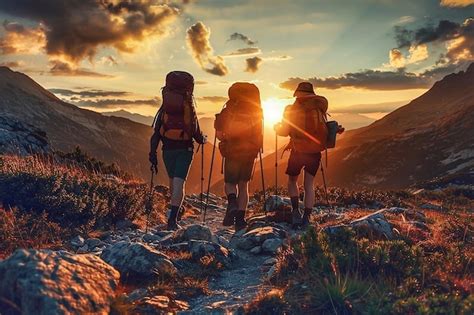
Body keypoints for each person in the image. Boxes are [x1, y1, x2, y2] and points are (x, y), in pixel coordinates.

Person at [275, 82, 343, 227]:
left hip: (298, 151)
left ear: (298, 94)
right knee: (309, 184)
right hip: (315, 152)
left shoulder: (291, 109)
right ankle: (307, 217)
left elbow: (284, 132)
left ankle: (295, 212)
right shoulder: (319, 108)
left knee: (292, 181)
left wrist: (277, 128)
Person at [149, 71, 206, 230]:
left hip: (167, 150)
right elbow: (196, 133)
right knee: (179, 183)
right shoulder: (189, 107)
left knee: (173, 181)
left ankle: (172, 211)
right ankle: (173, 219)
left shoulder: (164, 110)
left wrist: (152, 153)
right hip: (184, 149)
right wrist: (203, 139)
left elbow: (156, 133)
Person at [214, 82, 263, 231]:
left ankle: (232, 202)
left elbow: (218, 135)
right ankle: (240, 220)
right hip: (249, 153)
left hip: (232, 151)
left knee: (230, 183)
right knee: (243, 185)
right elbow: (259, 134)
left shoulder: (228, 110)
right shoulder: (257, 111)